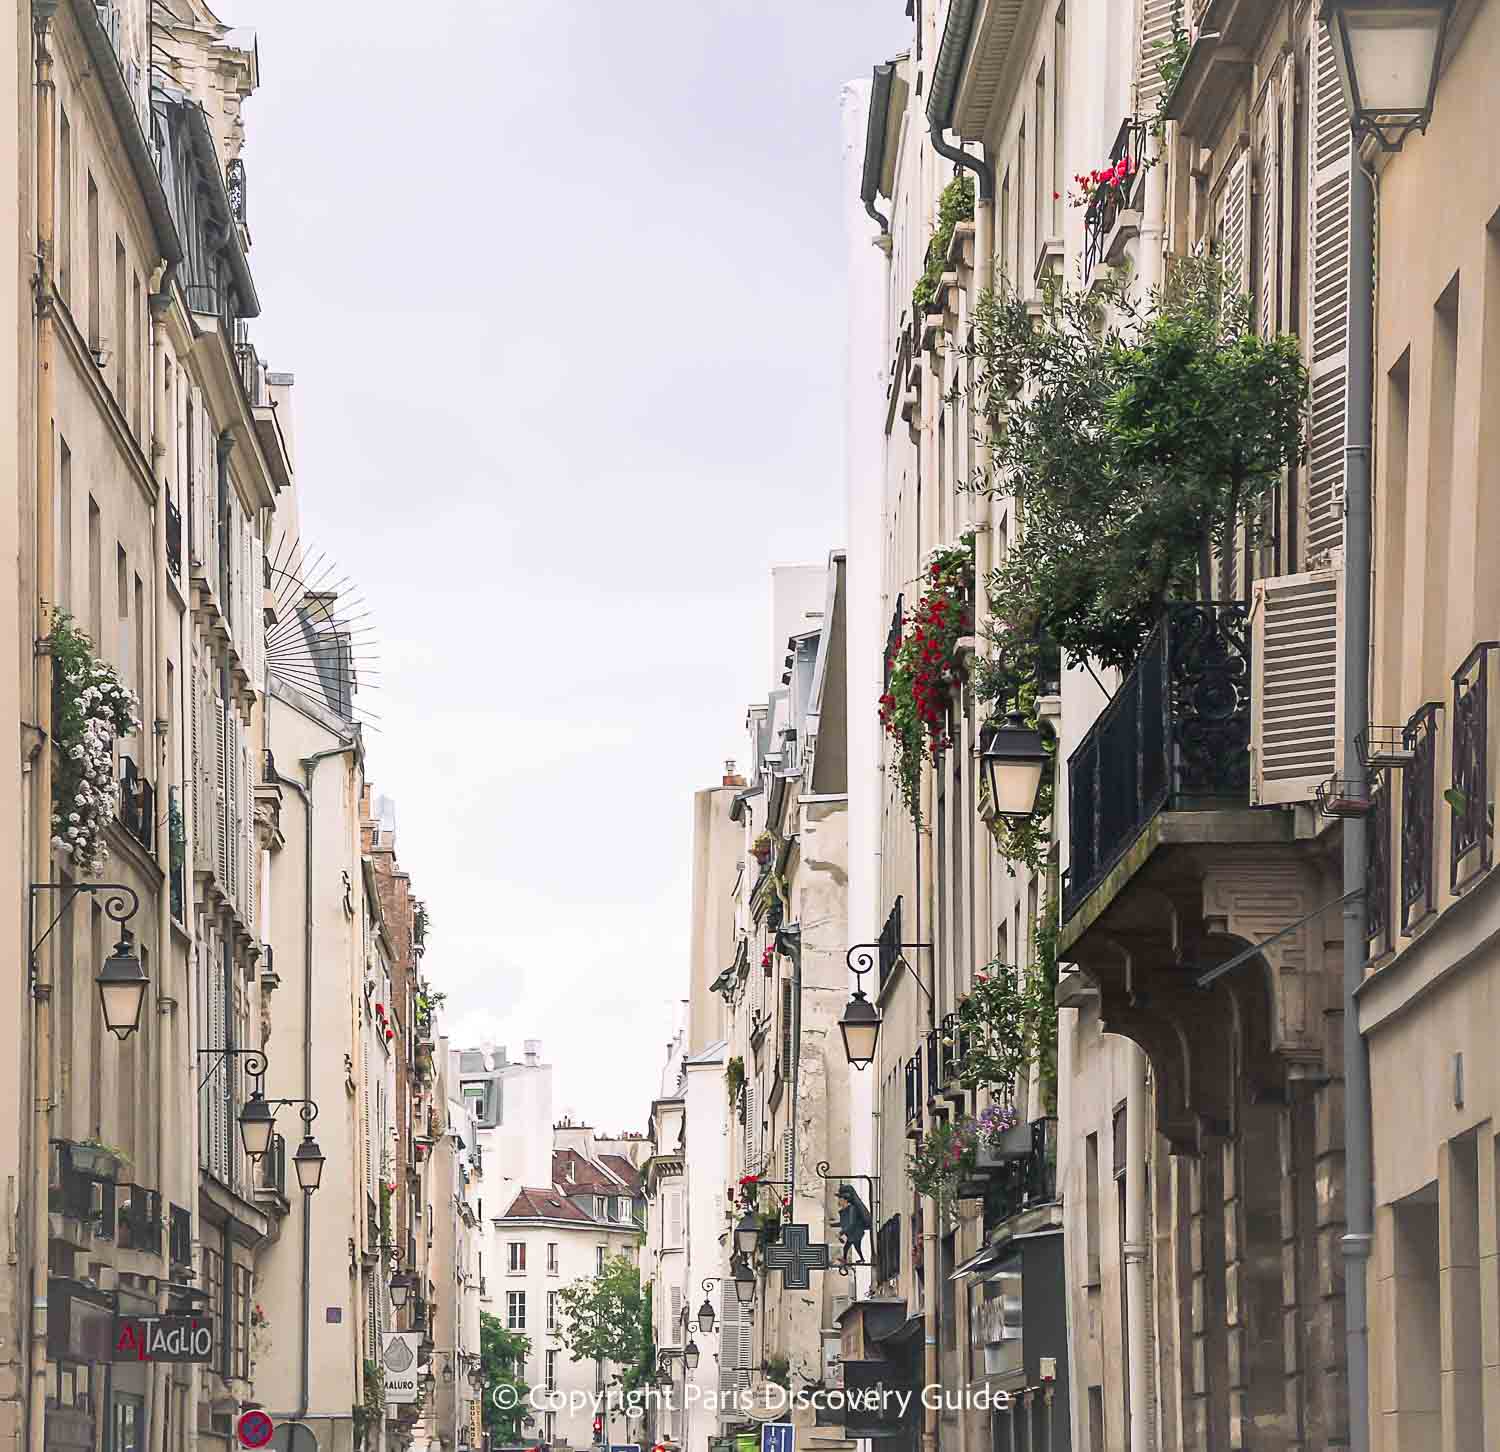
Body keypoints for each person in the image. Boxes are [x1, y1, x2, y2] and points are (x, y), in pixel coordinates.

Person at [832, 1183, 871, 1265]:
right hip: (853, 1234)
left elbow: (851, 1224)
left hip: (856, 1233)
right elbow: (844, 1223)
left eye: (840, 1198)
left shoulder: (852, 1209)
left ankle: (853, 1259)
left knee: (852, 1247)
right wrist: (832, 1225)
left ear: (845, 1200)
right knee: (851, 1247)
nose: (838, 1200)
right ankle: (857, 1259)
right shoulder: (846, 1209)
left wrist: (841, 1233)